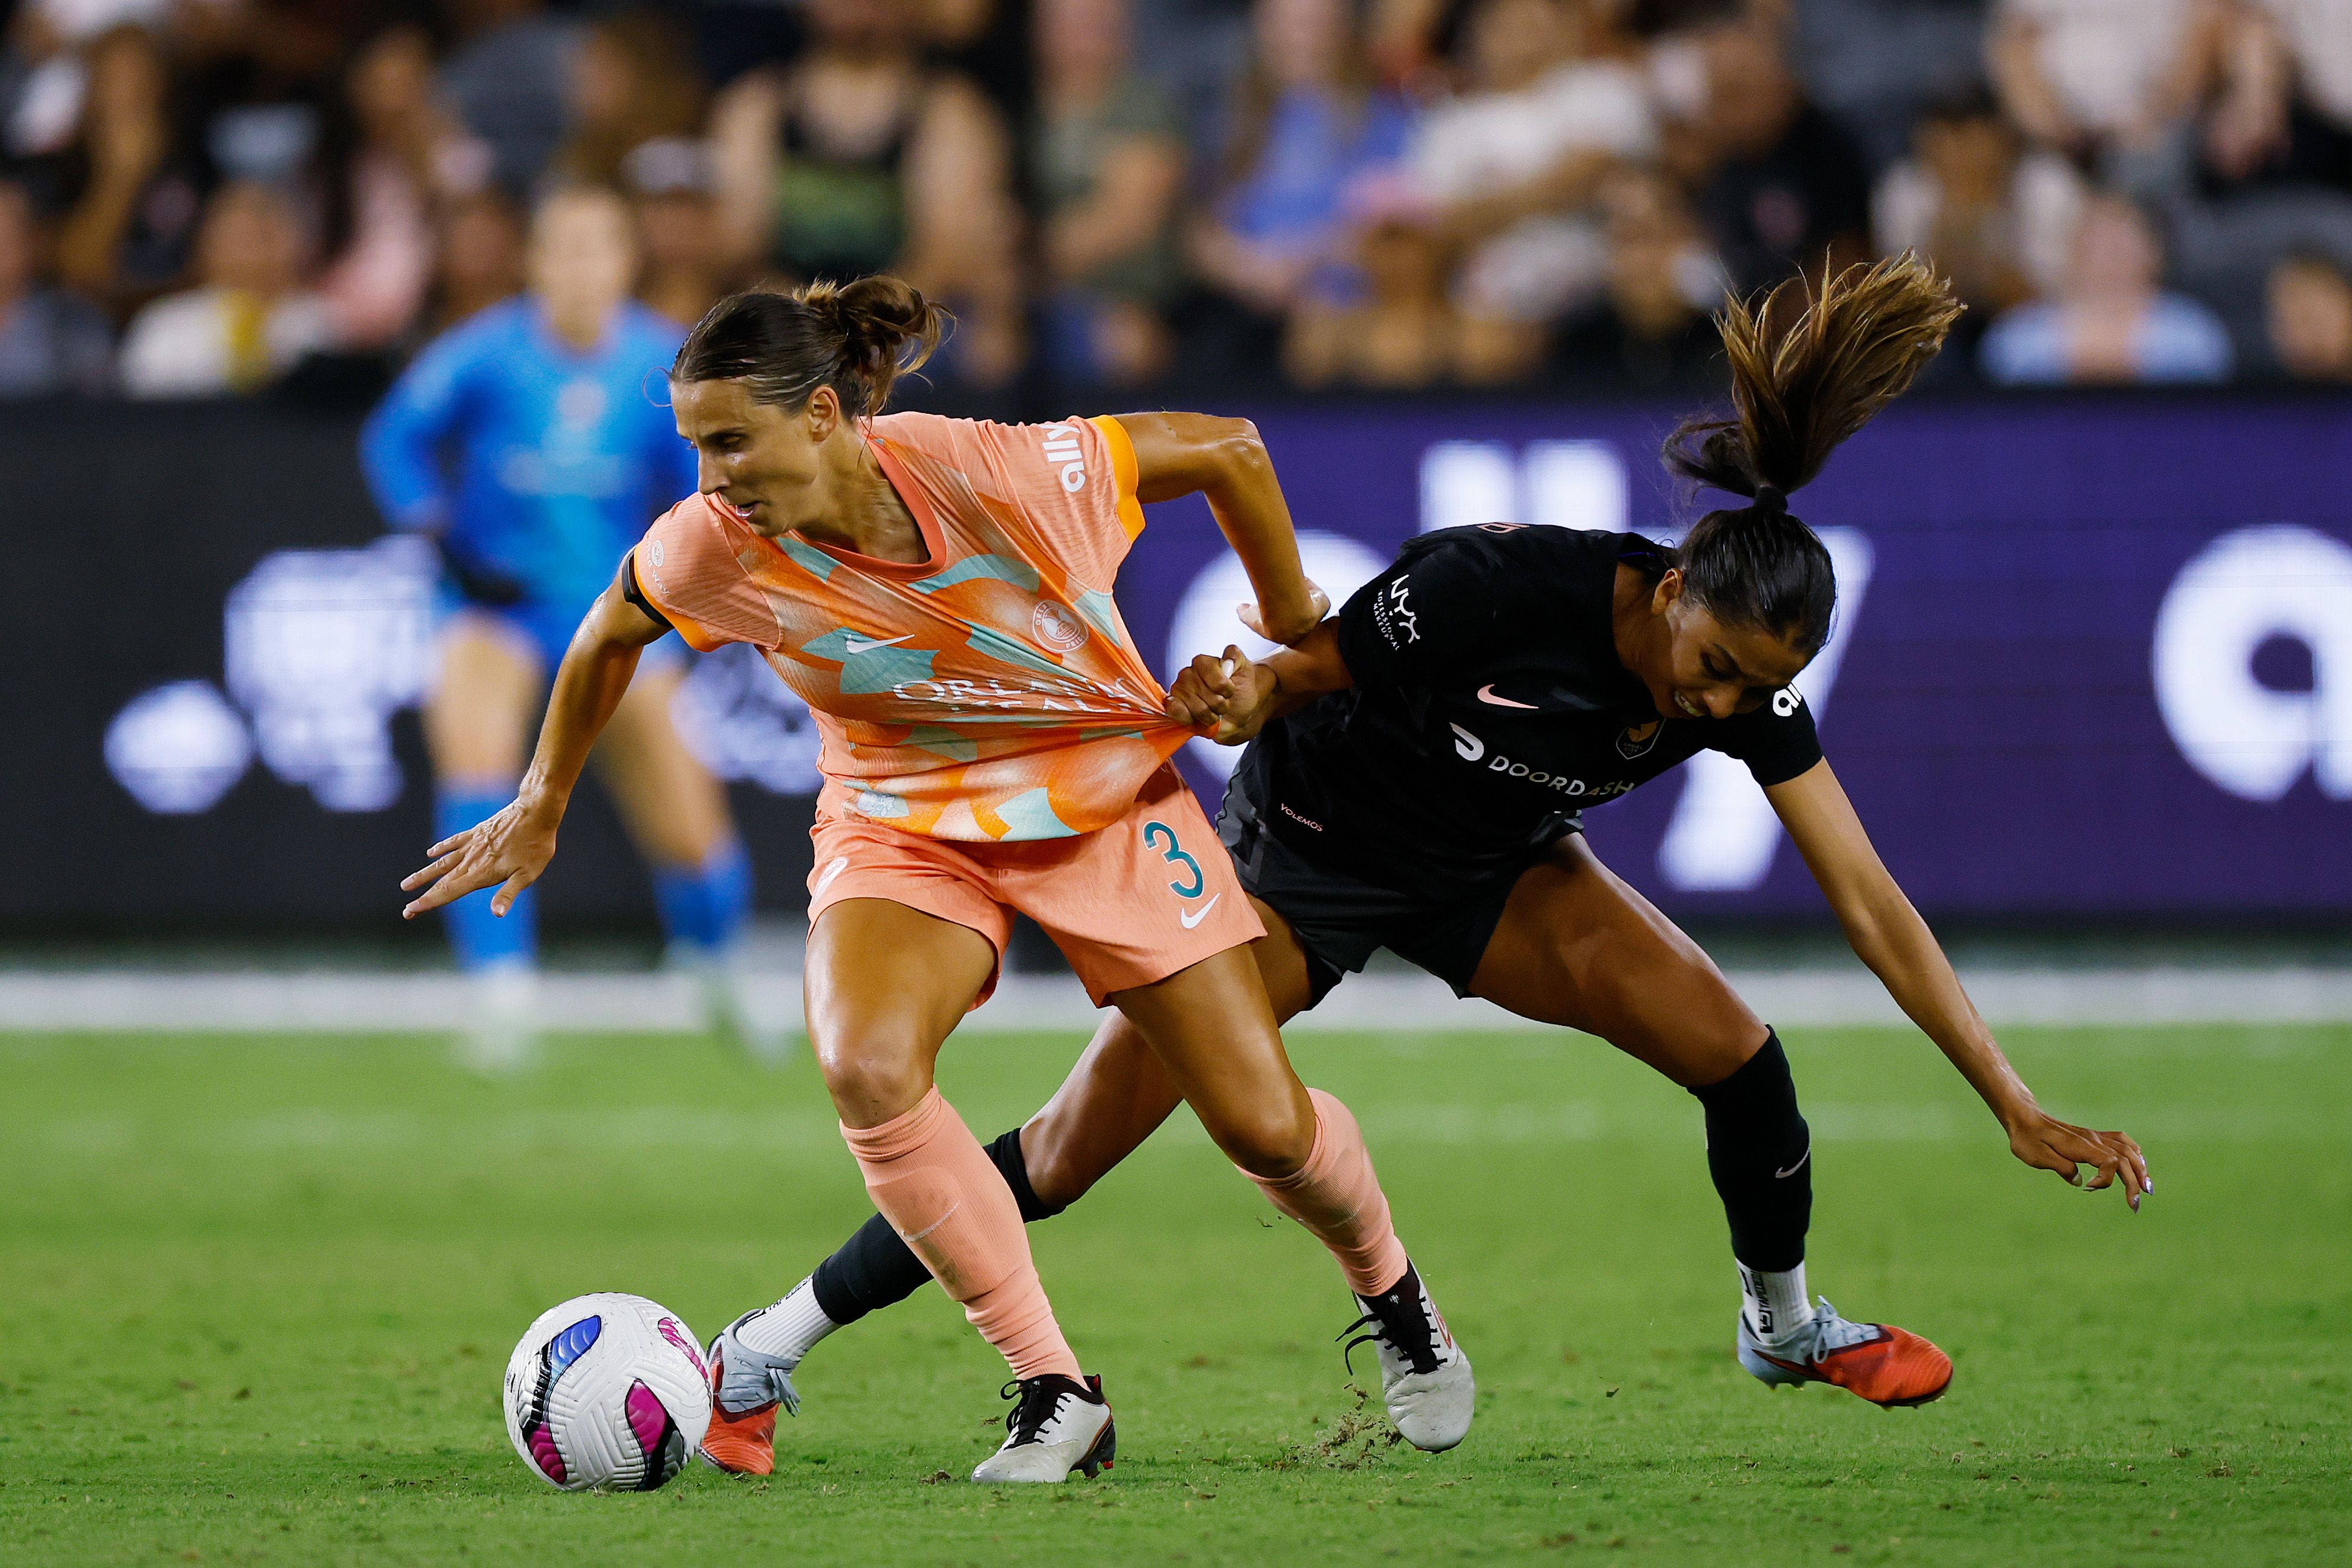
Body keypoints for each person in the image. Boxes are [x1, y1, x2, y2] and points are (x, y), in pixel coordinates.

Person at [721, 255, 2154, 1446]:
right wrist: (1238, 687)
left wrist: (2010, 1102)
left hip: (1502, 874)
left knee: (1740, 1056)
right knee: (1078, 1147)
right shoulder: (1498, 583)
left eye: (1744, 691)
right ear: (1667, 590)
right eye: (1707, 665)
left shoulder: (1740, 684)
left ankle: (1781, 1328)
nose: (1710, 706)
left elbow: (1873, 906)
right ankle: (775, 1339)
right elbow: (1294, 673)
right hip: (1307, 858)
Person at [398, 274, 1474, 1483]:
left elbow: (1228, 447)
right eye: (695, 446)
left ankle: (1391, 1292)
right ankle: (1054, 1387)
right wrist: (540, 803)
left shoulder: (991, 472)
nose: (710, 476)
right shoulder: (715, 543)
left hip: (1096, 797)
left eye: (729, 440)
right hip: (905, 815)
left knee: (1265, 1128)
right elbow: (609, 629)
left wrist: (1289, 631)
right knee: (864, 1060)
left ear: (818, 414)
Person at [364, 185, 767, 1068]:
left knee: (690, 825)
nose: (581, 268)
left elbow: (703, 484)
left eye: (599, 248)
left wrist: (682, 579)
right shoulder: (482, 354)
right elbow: (395, 439)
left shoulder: (664, 365)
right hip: (491, 608)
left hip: (613, 617)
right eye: (564, 248)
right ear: (535, 261)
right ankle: (500, 990)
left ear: (626, 262)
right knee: (477, 768)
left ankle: (717, 968)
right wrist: (434, 528)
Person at [1979, 192, 2236, 384]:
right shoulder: (2019, 339)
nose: (2111, 256)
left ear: (2154, 252)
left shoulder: (2193, 334)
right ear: (2073, 252)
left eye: (2123, 244)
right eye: (2099, 244)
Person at [118, 180, 334, 397]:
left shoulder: (326, 326)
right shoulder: (164, 327)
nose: (253, 253)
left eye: (266, 236)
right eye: (240, 237)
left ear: (301, 244)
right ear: (207, 244)